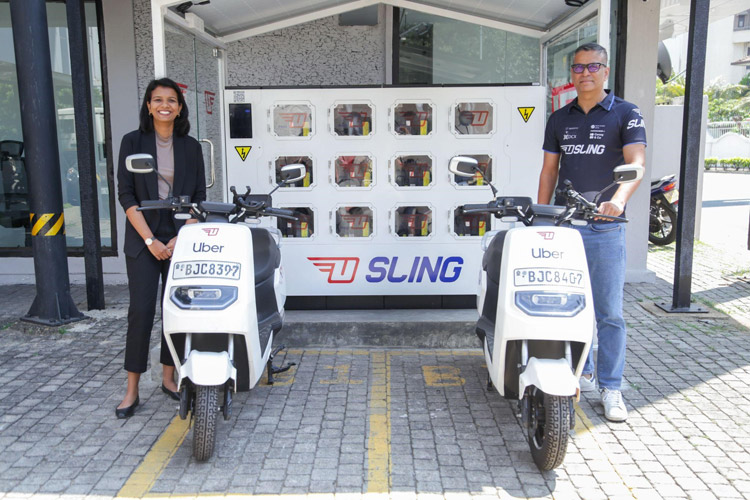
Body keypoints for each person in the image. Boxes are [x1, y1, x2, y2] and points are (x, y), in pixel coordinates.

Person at [537, 43, 646, 422]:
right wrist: (541, 216)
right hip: (565, 227)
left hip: (605, 229)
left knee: (609, 313)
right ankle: (577, 373)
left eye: (593, 66)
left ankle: (611, 386)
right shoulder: (559, 118)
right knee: (566, 307)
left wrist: (618, 200)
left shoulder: (626, 113)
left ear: (606, 71)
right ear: (572, 73)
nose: (585, 73)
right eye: (579, 67)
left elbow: (636, 163)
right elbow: (549, 171)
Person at [115, 78, 206, 419]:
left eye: (171, 100)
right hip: (143, 237)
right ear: (148, 105)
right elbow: (126, 195)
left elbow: (198, 197)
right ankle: (132, 389)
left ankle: (169, 378)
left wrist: (182, 236)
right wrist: (150, 240)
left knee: (175, 311)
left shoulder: (191, 146)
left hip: (179, 235)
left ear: (179, 107)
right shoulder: (132, 141)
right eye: (157, 99)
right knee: (140, 311)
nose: (164, 105)